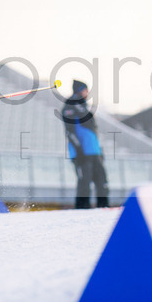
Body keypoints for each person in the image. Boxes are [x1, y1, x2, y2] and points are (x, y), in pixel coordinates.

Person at [62, 80, 110, 209]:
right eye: (85, 89)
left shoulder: (84, 107)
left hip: (94, 151)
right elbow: (70, 131)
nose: (87, 93)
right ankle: (82, 209)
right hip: (82, 152)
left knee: (102, 181)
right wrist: (79, 150)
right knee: (85, 182)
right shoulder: (70, 105)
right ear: (79, 90)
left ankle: (103, 207)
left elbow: (93, 132)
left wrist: (100, 150)